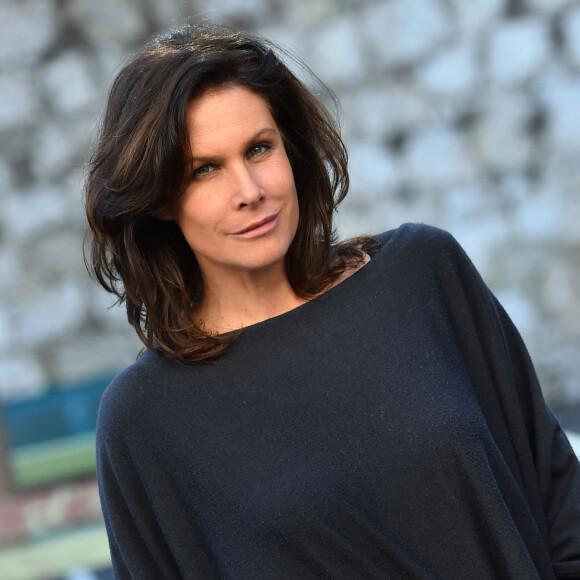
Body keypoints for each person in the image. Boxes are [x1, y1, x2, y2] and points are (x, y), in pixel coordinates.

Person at [85, 23, 580, 579]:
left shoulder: (422, 274)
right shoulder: (145, 419)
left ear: (290, 151)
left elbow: (559, 496)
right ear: (159, 200)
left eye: (258, 149)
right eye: (204, 170)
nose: (249, 190)